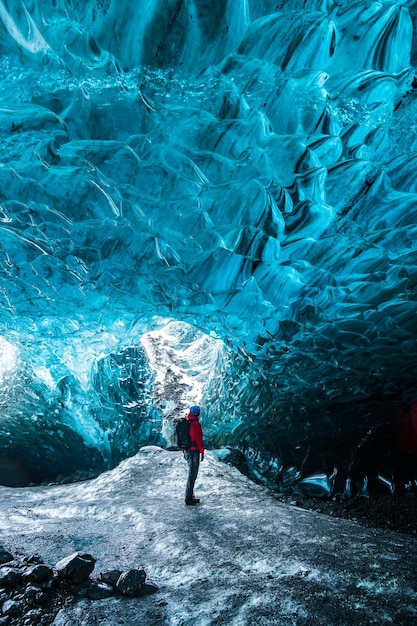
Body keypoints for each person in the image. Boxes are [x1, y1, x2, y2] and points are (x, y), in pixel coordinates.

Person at [184, 405, 204, 505]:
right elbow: (198, 439)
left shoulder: (185, 422)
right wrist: (202, 452)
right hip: (194, 452)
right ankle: (189, 497)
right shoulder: (196, 424)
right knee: (192, 474)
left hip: (187, 451)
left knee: (191, 473)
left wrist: (183, 451)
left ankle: (190, 495)